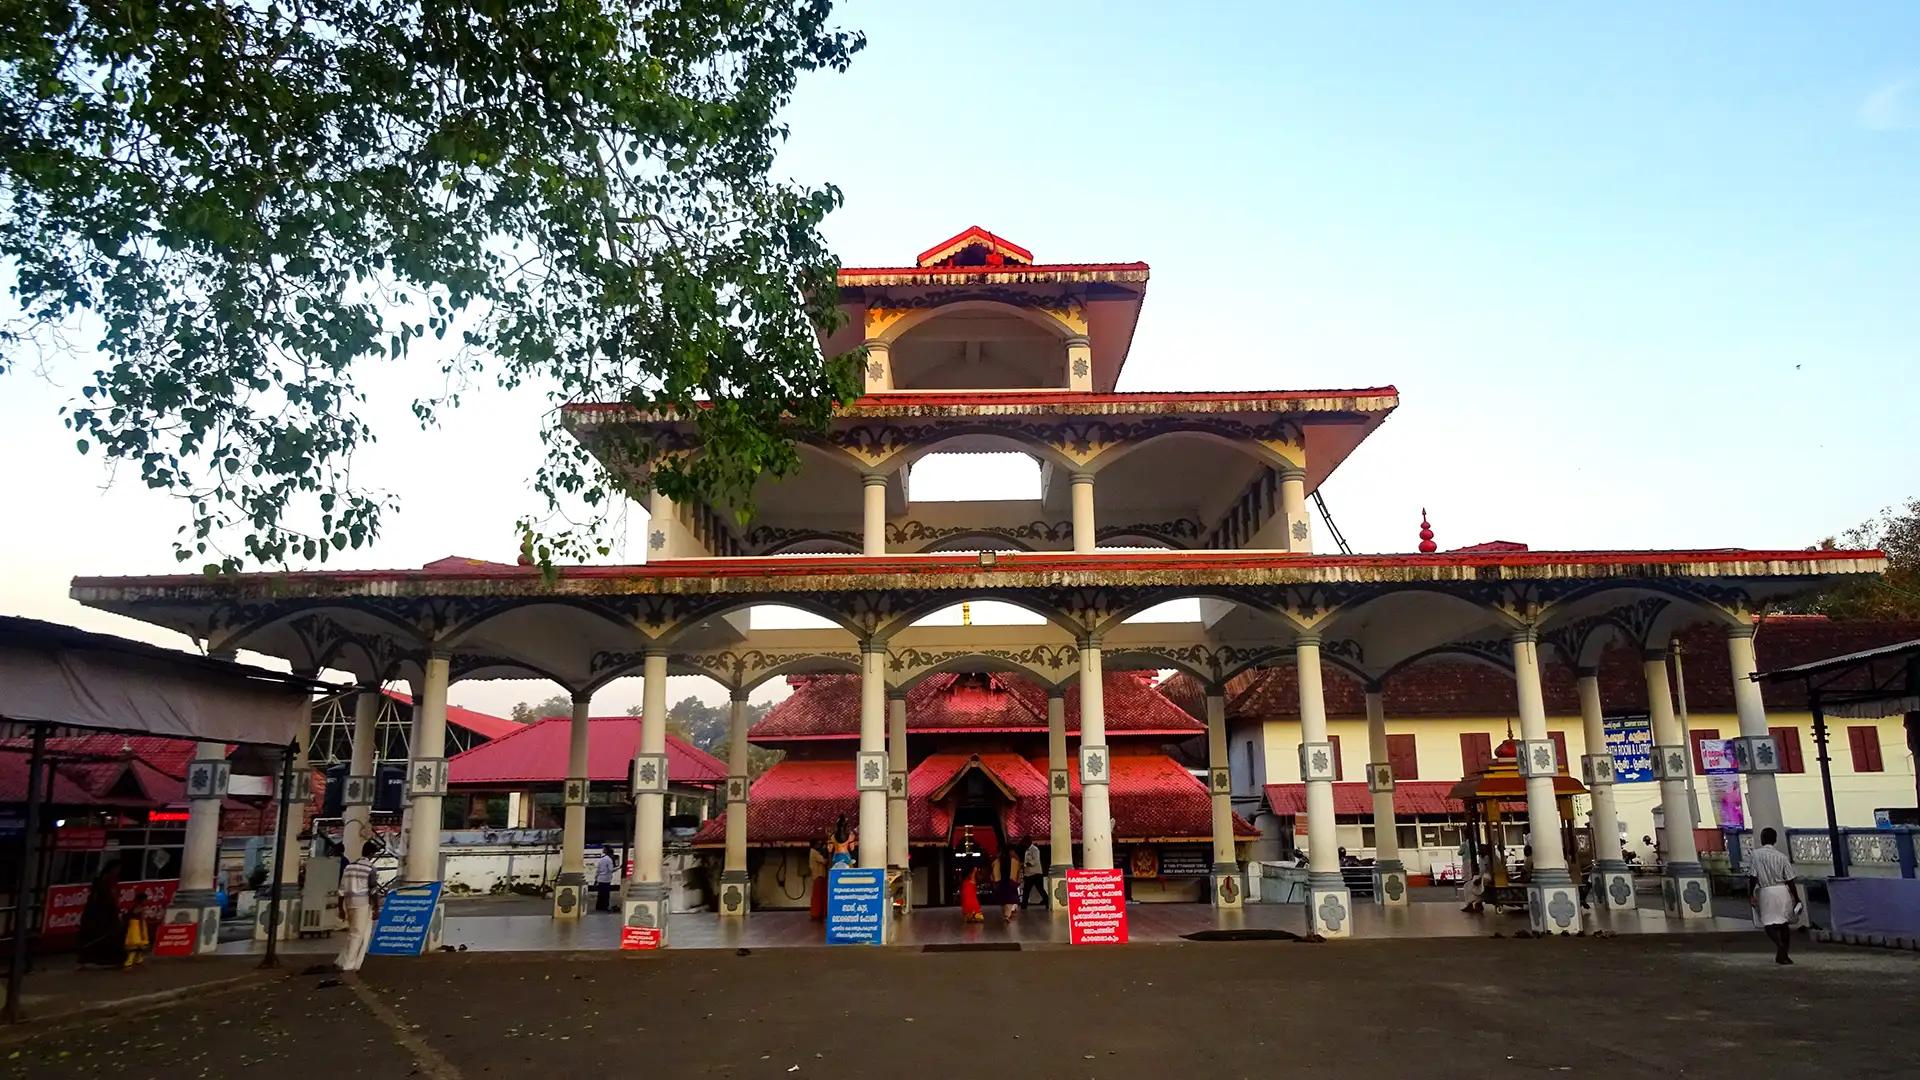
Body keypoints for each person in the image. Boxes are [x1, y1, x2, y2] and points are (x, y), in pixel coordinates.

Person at [1748, 827, 1801, 965]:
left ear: (1761, 839)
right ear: (1775, 840)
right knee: (1784, 923)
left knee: (1769, 922)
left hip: (1766, 891)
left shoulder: (1756, 855)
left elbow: (1753, 876)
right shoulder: (1782, 857)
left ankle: (1779, 946)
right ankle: (1784, 954)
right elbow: (1790, 879)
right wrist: (1796, 898)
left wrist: (1750, 893)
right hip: (1782, 890)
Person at [335, 840, 381, 976]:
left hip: (348, 902)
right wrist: (377, 908)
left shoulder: (349, 867)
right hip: (363, 903)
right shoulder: (370, 868)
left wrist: (340, 908)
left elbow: (341, 889)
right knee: (359, 934)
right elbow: (373, 891)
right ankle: (349, 964)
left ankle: (343, 960)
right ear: (372, 854)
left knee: (353, 932)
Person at [76, 859, 127, 969]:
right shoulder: (108, 880)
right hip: (106, 913)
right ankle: (107, 959)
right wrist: (117, 909)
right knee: (109, 934)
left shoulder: (103, 880)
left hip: (101, 913)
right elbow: (112, 896)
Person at [122, 889, 152, 969]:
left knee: (139, 946)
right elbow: (140, 919)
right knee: (135, 946)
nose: (146, 901)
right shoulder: (139, 908)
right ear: (142, 900)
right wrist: (142, 932)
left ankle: (138, 961)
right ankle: (129, 963)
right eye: (145, 900)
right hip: (137, 927)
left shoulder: (135, 907)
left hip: (135, 926)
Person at [1019, 839, 1046, 909]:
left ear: (1028, 842)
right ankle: (1024, 905)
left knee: (1040, 889)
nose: (1023, 845)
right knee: (1026, 890)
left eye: (1024, 843)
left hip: (1036, 873)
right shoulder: (1027, 850)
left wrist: (1025, 864)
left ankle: (1047, 902)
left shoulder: (1035, 850)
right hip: (1028, 874)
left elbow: (1035, 860)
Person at [592, 845, 618, 913]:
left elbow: (598, 870)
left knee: (600, 894)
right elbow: (611, 870)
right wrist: (619, 867)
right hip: (606, 880)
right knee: (606, 895)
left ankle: (599, 907)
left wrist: (596, 879)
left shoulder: (602, 859)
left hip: (600, 879)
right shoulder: (609, 859)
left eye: (603, 849)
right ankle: (605, 907)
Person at [808, 842, 828, 921]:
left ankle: (817, 912)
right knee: (818, 896)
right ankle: (817, 913)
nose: (819, 845)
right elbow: (824, 861)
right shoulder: (815, 853)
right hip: (819, 876)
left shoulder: (813, 852)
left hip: (817, 876)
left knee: (817, 896)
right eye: (818, 844)